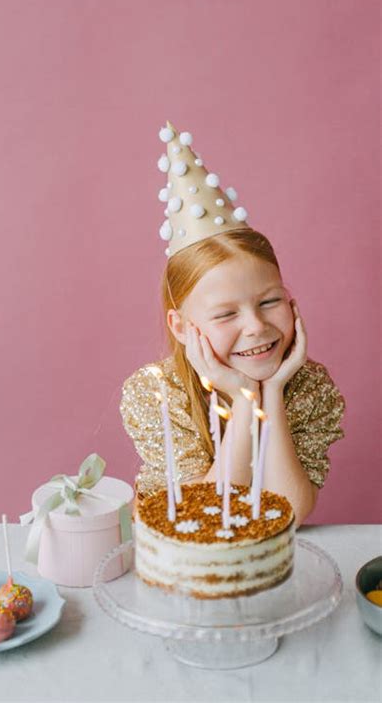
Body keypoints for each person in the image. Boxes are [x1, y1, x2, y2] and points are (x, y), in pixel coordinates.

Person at [119, 121, 346, 529]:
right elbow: (205, 517)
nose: (256, 326)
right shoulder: (155, 393)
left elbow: (290, 511)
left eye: (270, 301)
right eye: (226, 314)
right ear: (183, 327)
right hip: (185, 570)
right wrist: (244, 400)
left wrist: (272, 392)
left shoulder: (310, 387)